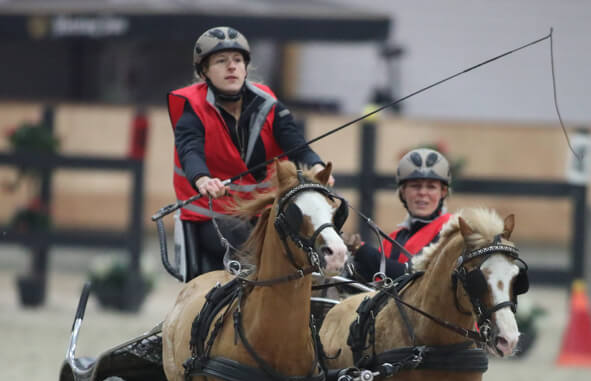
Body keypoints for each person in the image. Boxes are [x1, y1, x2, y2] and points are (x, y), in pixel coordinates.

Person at [168, 26, 330, 280]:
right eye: (221, 61)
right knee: (242, 237)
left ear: (246, 67)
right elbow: (190, 149)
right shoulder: (192, 107)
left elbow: (295, 142)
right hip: (214, 214)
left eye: (237, 60)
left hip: (262, 209)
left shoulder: (267, 102)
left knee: (311, 234)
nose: (231, 67)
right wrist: (202, 179)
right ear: (204, 72)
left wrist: (317, 165)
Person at [349, 148, 453, 281]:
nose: (422, 192)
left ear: (443, 192)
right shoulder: (393, 239)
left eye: (431, 187)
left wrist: (363, 251)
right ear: (403, 192)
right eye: (415, 186)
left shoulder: (451, 231)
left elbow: (415, 276)